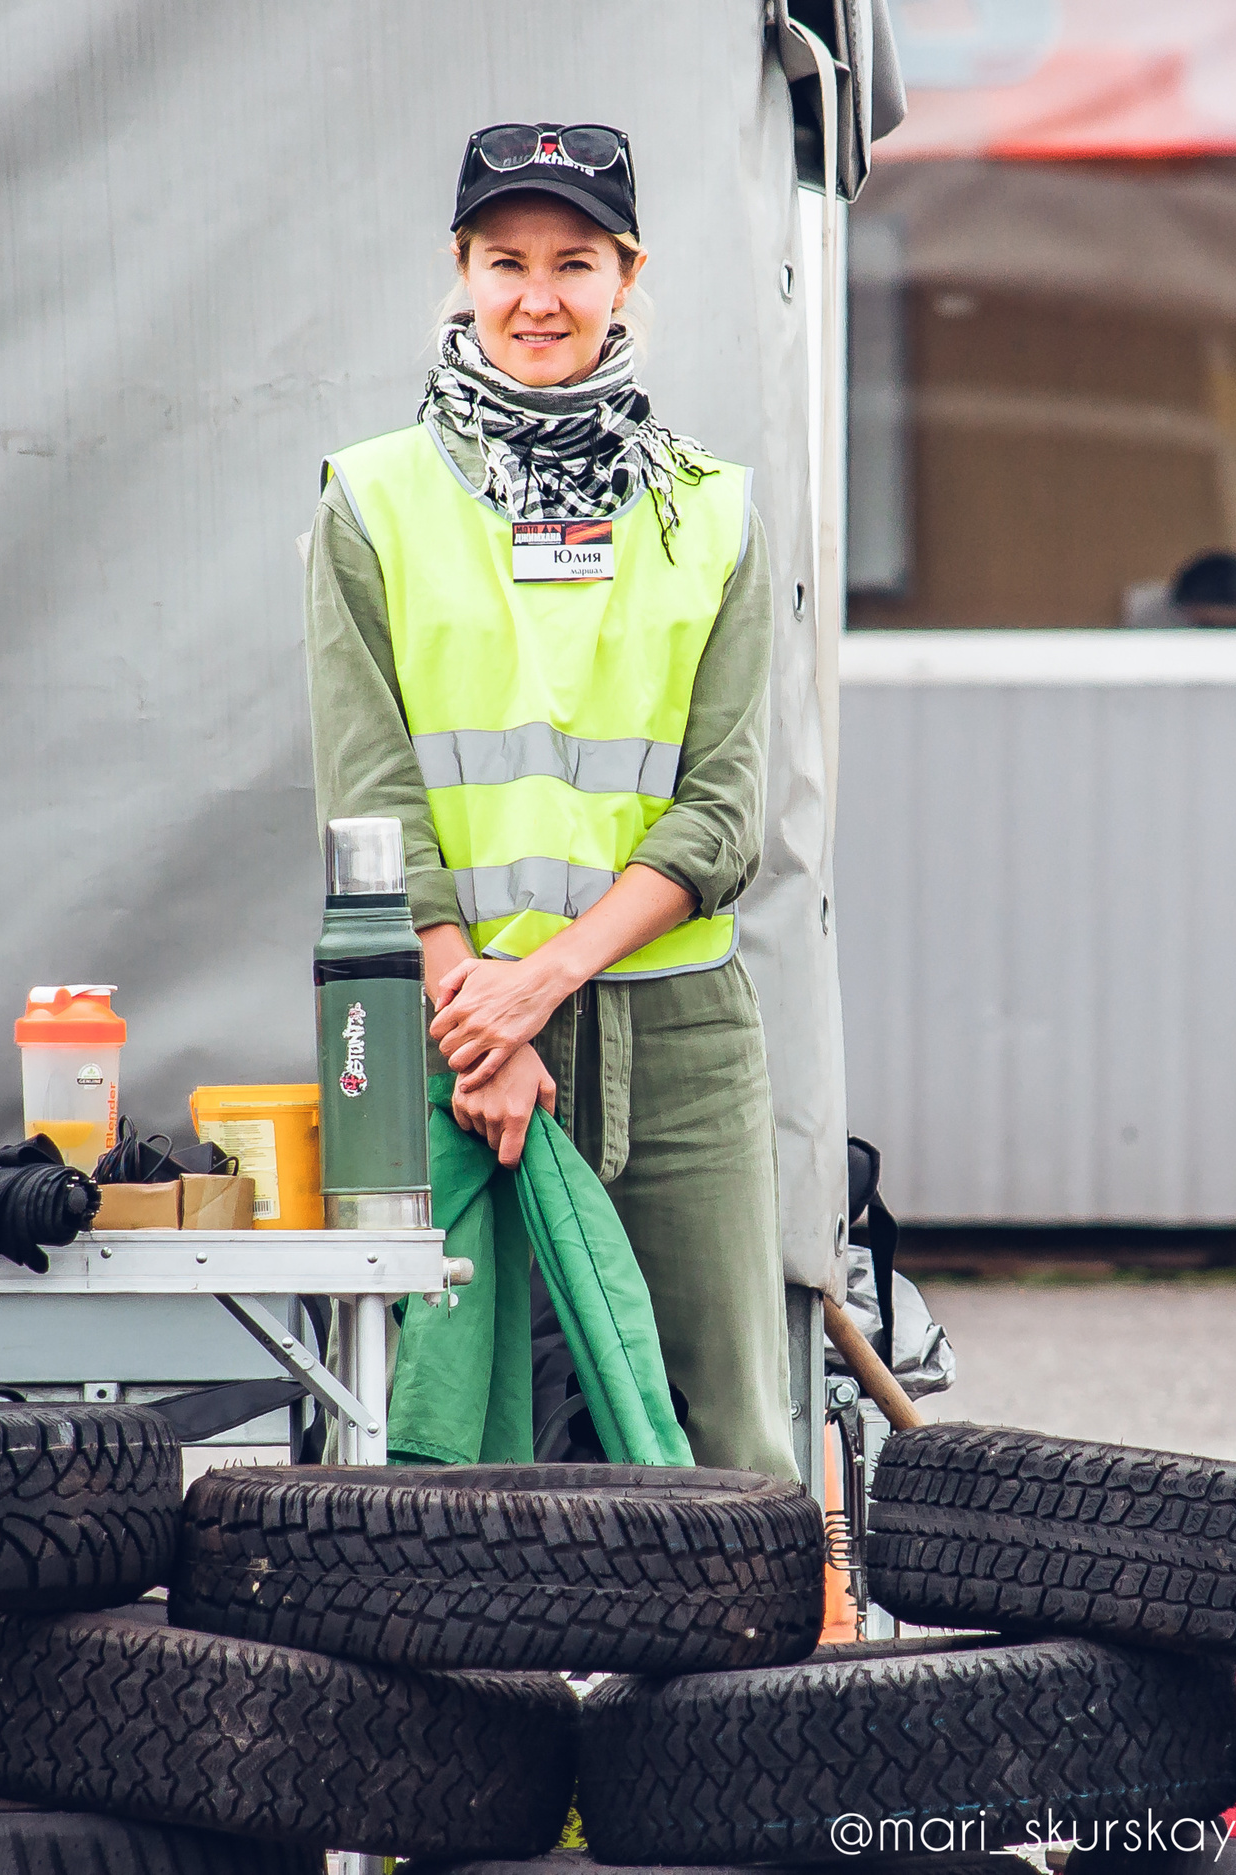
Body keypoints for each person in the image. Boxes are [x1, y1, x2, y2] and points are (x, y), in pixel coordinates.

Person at [304, 122, 795, 1481]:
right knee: (448, 1426)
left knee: (729, 1431)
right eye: (506, 261)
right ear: (459, 270)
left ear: (629, 277)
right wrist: (482, 1018)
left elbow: (722, 812)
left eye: (574, 262)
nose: (538, 296)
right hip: (445, 1022)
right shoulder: (371, 501)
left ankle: (761, 1635)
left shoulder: (716, 512)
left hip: (675, 1031)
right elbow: (370, 796)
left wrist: (540, 986)